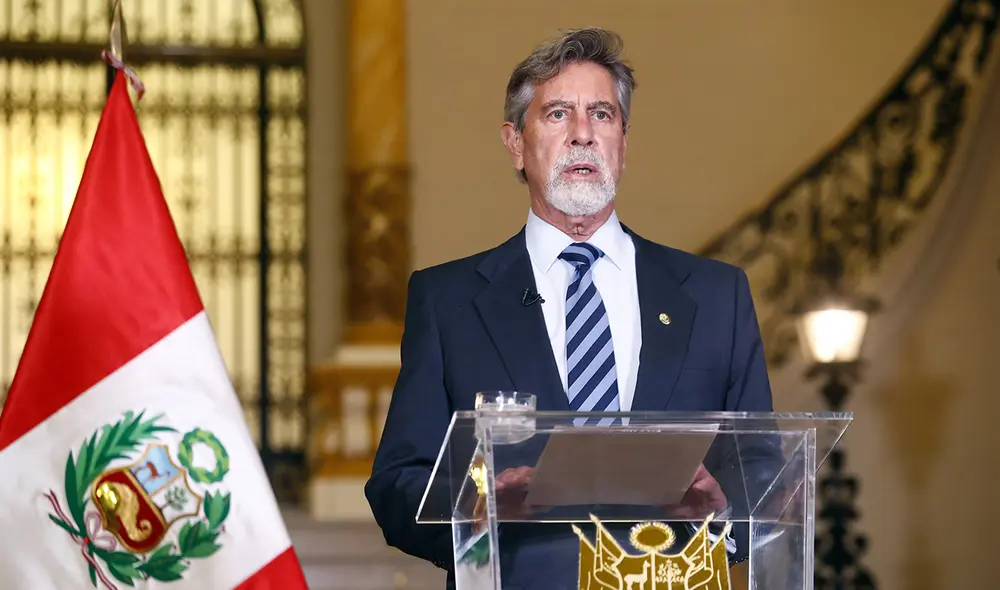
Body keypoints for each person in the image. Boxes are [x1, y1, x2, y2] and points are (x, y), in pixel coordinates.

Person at [365, 27, 774, 589]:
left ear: (623, 141)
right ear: (515, 142)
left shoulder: (715, 295)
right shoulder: (447, 301)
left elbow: (765, 467)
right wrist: (478, 514)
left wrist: (724, 514)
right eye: (558, 114)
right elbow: (398, 480)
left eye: (602, 115)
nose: (583, 135)